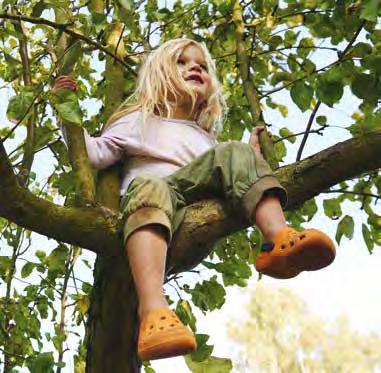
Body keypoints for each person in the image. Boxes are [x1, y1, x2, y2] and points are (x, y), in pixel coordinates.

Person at [52, 38, 336, 361]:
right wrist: (67, 111)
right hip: (153, 213)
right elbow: (94, 154)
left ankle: (279, 240)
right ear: (159, 75)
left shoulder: (207, 138)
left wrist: (250, 157)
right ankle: (154, 311)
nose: (195, 68)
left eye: (200, 64)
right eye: (183, 62)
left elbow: (231, 172)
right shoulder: (137, 120)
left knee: (235, 152)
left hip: (193, 212)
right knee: (149, 185)